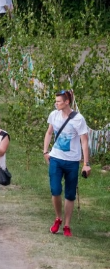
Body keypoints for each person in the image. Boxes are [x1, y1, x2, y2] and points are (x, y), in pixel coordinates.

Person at [44, 90, 90, 237]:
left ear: (67, 102)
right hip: (56, 158)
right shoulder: (54, 115)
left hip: (72, 161)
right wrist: (45, 151)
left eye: (58, 101)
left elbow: (84, 140)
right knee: (55, 190)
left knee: (70, 194)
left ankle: (67, 225)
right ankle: (58, 217)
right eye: (56, 101)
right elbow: (49, 132)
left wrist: (86, 163)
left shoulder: (78, 119)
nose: (56, 104)